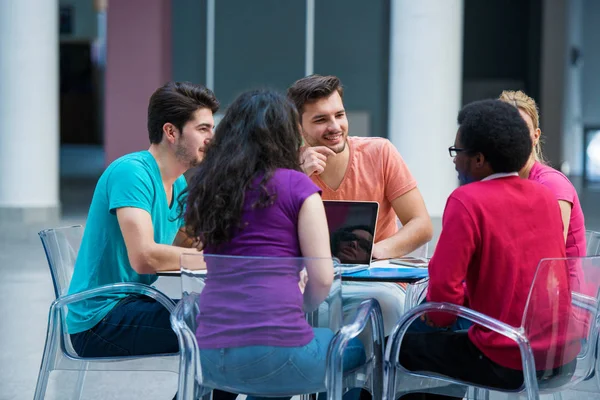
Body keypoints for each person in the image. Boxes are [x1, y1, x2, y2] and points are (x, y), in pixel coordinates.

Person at [183, 89, 366, 400]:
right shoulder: (297, 185)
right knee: (354, 346)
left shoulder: (208, 185)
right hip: (279, 352)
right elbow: (322, 278)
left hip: (208, 356)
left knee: (273, 370)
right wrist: (301, 305)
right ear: (286, 136)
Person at [67, 82, 236, 400]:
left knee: (234, 318)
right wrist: (223, 262)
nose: (211, 139)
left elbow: (193, 247)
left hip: (133, 304)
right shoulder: (133, 173)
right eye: (203, 129)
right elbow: (144, 257)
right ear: (171, 132)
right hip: (99, 318)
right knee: (227, 329)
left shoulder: (179, 185)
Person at [397, 99, 573, 400]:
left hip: (505, 358)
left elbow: (442, 298)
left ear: (479, 160)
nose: (454, 161)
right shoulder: (544, 196)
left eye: (458, 152)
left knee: (393, 346)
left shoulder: (467, 201)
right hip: (560, 357)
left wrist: (439, 319)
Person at [287, 74, 432, 335]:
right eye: (321, 119)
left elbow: (421, 224)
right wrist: (298, 178)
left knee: (384, 305)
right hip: (310, 284)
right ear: (298, 128)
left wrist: (375, 251)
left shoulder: (380, 152)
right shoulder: (287, 167)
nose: (335, 126)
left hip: (375, 282)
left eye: (339, 115)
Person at [499, 90, 586, 259]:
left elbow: (550, 261)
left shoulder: (552, 185)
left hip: (560, 284)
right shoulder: (505, 183)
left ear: (536, 136)